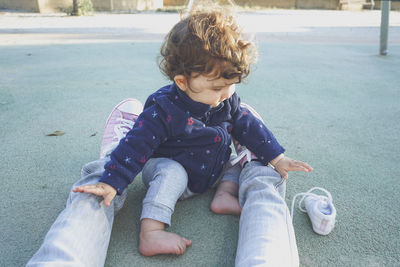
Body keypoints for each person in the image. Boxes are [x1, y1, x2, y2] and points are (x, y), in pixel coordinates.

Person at [27, 3, 312, 266]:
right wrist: (111, 182)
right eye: (217, 88)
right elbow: (135, 145)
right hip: (172, 170)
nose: (226, 94)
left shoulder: (226, 100)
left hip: (212, 168)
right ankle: (152, 230)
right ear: (182, 82)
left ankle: (224, 195)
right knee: (171, 172)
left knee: (240, 162)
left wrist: (278, 157)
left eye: (232, 85)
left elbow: (247, 125)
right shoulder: (163, 108)